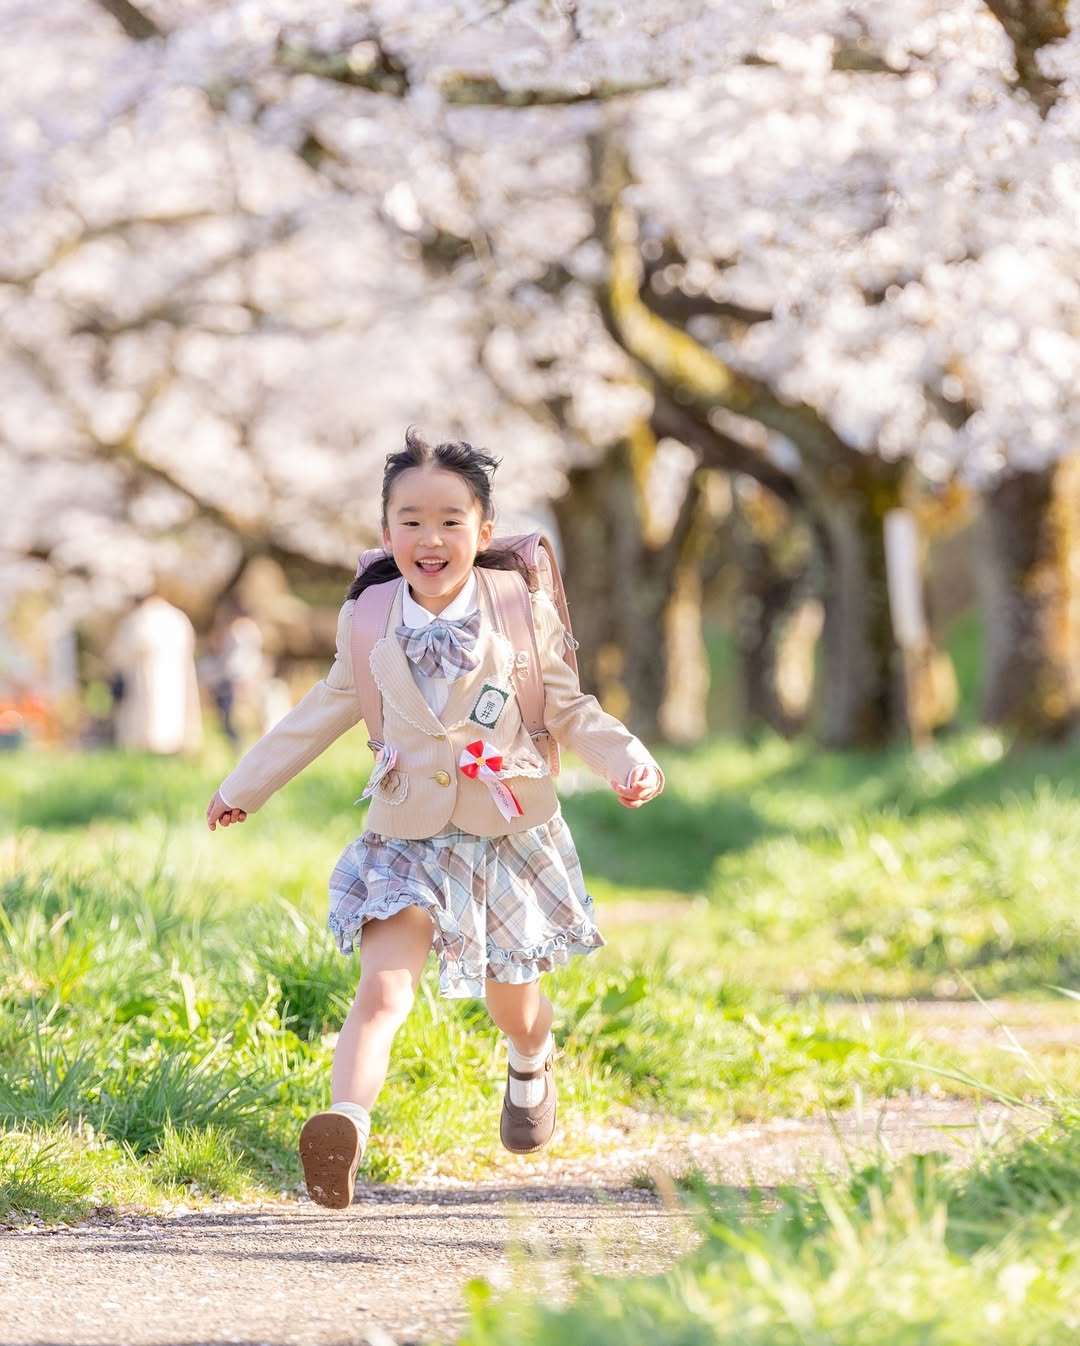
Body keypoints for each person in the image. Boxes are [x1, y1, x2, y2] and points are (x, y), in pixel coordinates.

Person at [205, 430, 664, 1209]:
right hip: (405, 832)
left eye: (451, 520)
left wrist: (625, 760)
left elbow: (567, 705)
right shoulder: (370, 617)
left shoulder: (518, 611)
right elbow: (324, 710)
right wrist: (244, 785)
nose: (430, 538)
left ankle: (531, 1059)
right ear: (386, 534)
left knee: (509, 1001)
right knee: (383, 989)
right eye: (410, 520)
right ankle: (344, 1124)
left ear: (483, 533)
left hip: (505, 831)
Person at [110, 591, 203, 755]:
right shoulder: (177, 618)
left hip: (146, 676)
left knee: (149, 717)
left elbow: (121, 652)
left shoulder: (140, 619)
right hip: (175, 676)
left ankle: (152, 746)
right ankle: (168, 746)